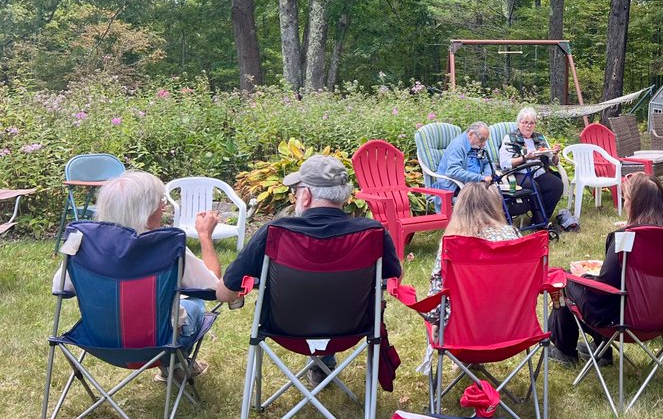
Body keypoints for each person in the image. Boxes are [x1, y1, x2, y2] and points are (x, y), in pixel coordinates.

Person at [214, 155, 403, 384]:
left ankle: (321, 365)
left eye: (296, 191)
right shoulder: (371, 233)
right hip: (352, 329)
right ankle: (323, 364)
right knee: (329, 297)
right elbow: (395, 277)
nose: (295, 196)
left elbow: (224, 293)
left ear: (306, 195)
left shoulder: (275, 231)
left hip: (284, 330)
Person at [52, 168, 223, 380]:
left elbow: (60, 288)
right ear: (147, 210)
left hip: (99, 341)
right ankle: (176, 364)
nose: (164, 206)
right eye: (161, 200)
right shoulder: (167, 248)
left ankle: (175, 366)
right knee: (195, 301)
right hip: (159, 345)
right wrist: (205, 236)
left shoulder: (82, 245)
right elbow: (216, 289)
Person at [548, 174, 663, 366]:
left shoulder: (625, 239)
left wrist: (580, 277)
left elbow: (604, 291)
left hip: (627, 318)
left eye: (626, 199)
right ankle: (600, 350)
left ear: (634, 204)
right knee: (590, 284)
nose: (625, 204)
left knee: (564, 279)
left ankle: (564, 349)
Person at [418, 183, 521, 372]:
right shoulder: (514, 237)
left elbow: (437, 295)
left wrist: (434, 321)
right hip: (512, 330)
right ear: (493, 204)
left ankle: (466, 360)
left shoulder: (452, 243)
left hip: (461, 335)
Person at [497, 107, 565, 225]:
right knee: (534, 186)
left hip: (538, 171)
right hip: (519, 173)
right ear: (519, 123)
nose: (528, 126)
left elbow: (553, 161)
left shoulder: (539, 138)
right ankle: (542, 223)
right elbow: (505, 163)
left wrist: (555, 154)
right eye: (525, 122)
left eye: (531, 123)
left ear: (535, 125)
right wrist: (525, 158)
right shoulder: (510, 138)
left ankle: (540, 217)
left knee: (556, 184)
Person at [434, 122, 494, 192]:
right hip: (455, 187)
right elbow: (453, 171)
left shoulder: (478, 144)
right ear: (471, 134)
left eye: (485, 140)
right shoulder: (458, 146)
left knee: (500, 195)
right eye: (482, 139)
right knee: (487, 200)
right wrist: (481, 178)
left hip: (474, 185)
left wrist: (487, 176)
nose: (484, 144)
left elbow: (488, 163)